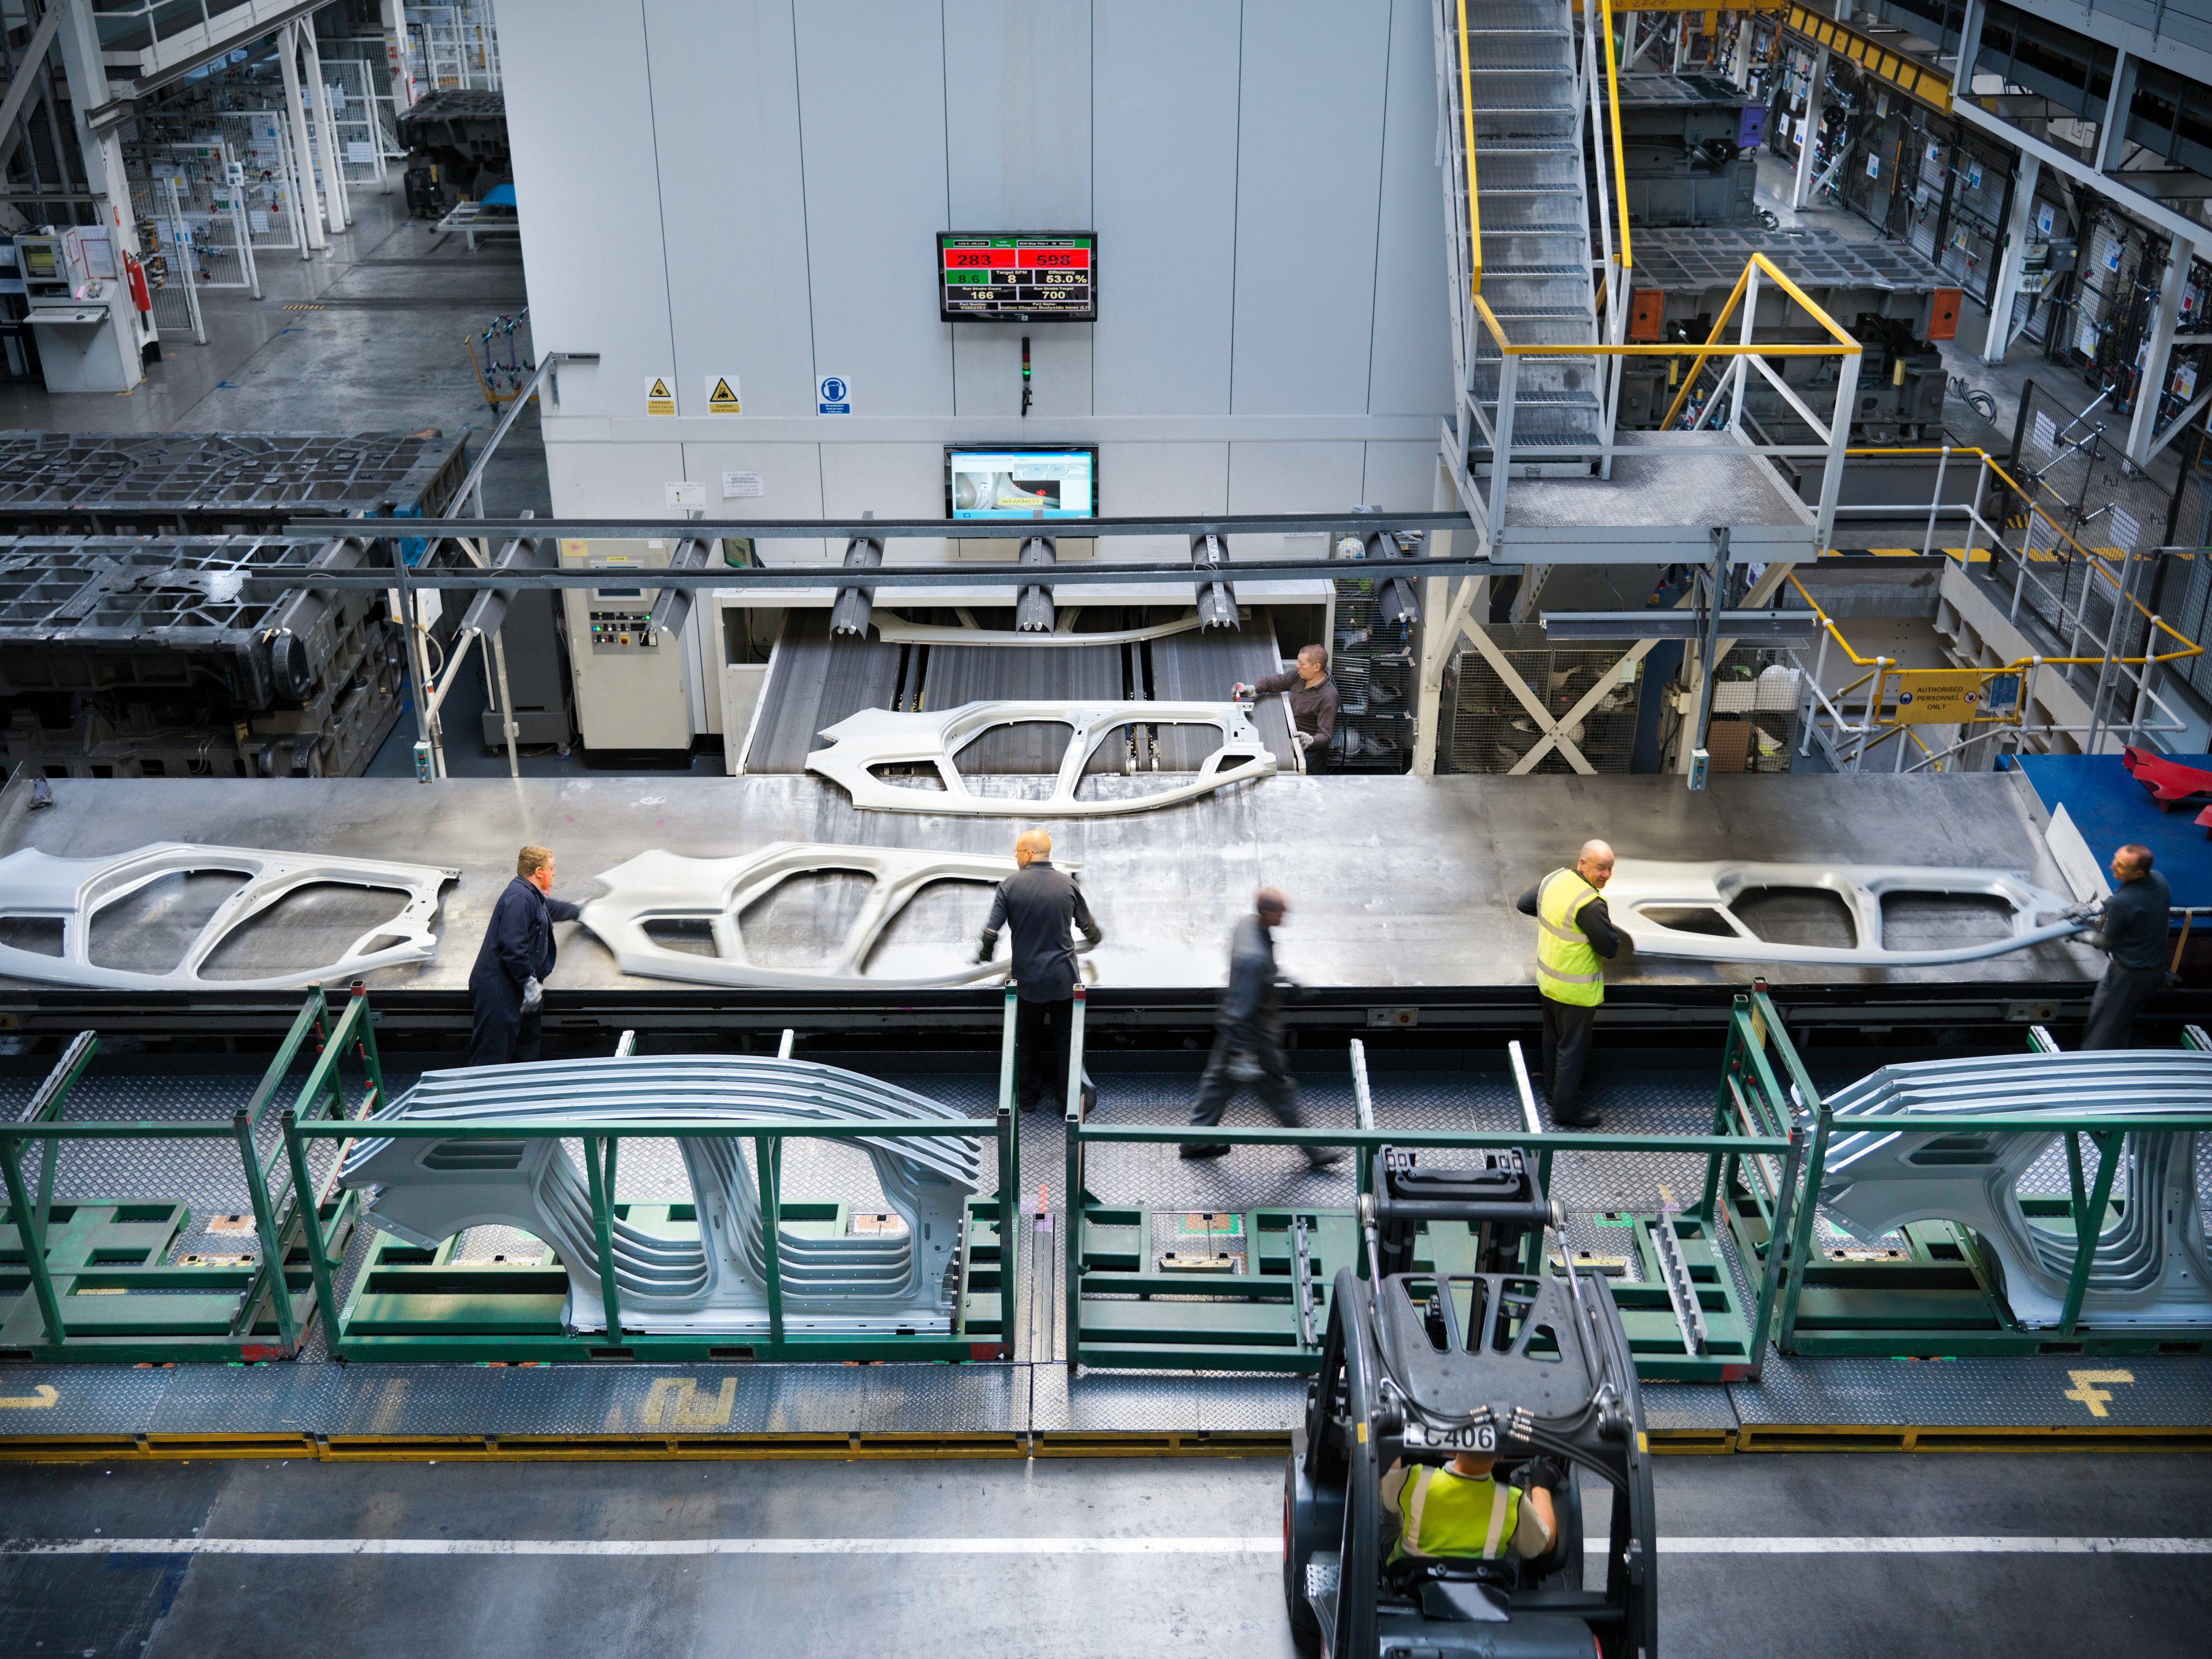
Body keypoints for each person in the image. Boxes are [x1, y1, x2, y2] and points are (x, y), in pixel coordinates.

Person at [1182, 887, 1344, 1169]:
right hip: (1253, 1038)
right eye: (1282, 911)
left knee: (1216, 1088)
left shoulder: (1248, 925)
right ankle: (1313, 1152)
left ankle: (1195, 1142)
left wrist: (1284, 979)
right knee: (1279, 1091)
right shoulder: (1254, 957)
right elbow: (1243, 1007)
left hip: (1234, 1036)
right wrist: (1244, 1055)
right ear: (1269, 913)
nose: (1286, 915)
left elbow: (1253, 979)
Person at [977, 829, 1104, 1112]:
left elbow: (990, 933)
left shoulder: (1009, 886)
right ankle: (1068, 1101)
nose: (1016, 857)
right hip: (1064, 981)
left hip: (1028, 981)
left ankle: (1028, 1099)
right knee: (1067, 1043)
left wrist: (984, 956)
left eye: (1018, 852)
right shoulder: (1068, 885)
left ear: (1029, 854)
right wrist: (1096, 939)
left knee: (1027, 1041)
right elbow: (1088, 927)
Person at [1514, 839, 1623, 1129]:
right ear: (1583, 863)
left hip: (1549, 981)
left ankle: (1553, 1094)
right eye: (1601, 868)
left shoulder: (1554, 880)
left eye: (1610, 869)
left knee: (1553, 1041)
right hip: (1575, 991)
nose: (1606, 875)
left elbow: (1524, 904)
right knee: (1572, 1049)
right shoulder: (1589, 903)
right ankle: (1566, 1110)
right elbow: (1609, 947)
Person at [467, 844, 581, 1066]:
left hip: (518, 987)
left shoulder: (530, 897)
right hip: (500, 989)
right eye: (552, 868)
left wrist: (579, 911)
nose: (554, 873)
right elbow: (513, 947)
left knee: (525, 1052)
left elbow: (551, 909)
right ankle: (484, 1098)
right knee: (492, 1054)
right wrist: (528, 981)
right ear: (539, 872)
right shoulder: (519, 897)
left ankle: (517, 1097)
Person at [1381, 1448, 1559, 1566]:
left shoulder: (1414, 1478)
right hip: (1482, 1593)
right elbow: (1545, 1543)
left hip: (1406, 1586)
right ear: (1500, 1456)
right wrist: (1541, 1485)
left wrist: (1395, 1445)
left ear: (1450, 1450)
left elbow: (1386, 1493)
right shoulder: (1512, 1502)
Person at [2080, 843, 2173, 1049]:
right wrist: (2097, 907)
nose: (2112, 866)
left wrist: (2081, 935)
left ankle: (2089, 1072)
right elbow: (2127, 900)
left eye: (2120, 866)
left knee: (2105, 1030)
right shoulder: (2158, 879)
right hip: (2149, 970)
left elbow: (2105, 942)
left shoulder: (2125, 903)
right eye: (2116, 859)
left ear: (2138, 873)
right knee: (2110, 1022)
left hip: (2131, 976)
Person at [1241, 644, 1339, 773]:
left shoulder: (1329, 697)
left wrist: (1310, 739)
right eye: (1298, 661)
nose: (1297, 666)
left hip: (1311, 756)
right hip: (1290, 745)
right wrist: (1252, 688)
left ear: (1317, 667)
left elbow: (1325, 736)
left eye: (1302, 664)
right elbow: (1272, 682)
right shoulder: (1298, 677)